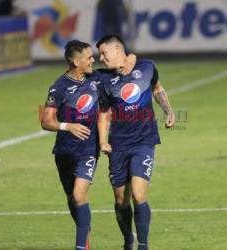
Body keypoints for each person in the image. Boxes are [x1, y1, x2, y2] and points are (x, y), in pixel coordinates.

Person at [41, 40, 135, 250]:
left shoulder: (97, 78)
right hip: (65, 151)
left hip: (88, 150)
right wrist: (68, 126)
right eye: (89, 57)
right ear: (76, 61)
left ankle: (81, 246)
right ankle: (85, 233)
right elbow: (46, 121)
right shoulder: (59, 87)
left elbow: (126, 63)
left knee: (78, 195)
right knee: (72, 198)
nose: (94, 60)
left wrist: (132, 57)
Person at [96, 35, 175, 250]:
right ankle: (128, 239)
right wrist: (103, 142)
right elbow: (103, 113)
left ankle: (143, 244)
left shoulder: (147, 67)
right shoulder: (103, 79)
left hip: (144, 141)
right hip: (118, 145)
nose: (101, 58)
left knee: (139, 195)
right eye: (99, 54)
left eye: (104, 53)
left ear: (117, 49)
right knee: (122, 200)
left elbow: (157, 88)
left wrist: (168, 110)